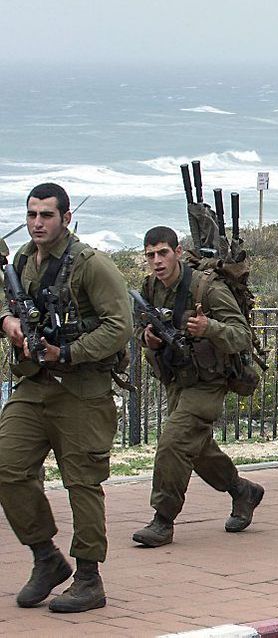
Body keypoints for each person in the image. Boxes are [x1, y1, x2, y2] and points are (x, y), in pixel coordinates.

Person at [0, 183, 131, 612]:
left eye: (47, 215)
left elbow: (119, 326)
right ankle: (46, 558)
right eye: (32, 215)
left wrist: (69, 352)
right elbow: (6, 301)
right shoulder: (21, 260)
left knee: (82, 484)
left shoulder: (91, 265)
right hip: (35, 384)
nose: (37, 223)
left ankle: (89, 578)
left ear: (66, 218)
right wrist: (8, 321)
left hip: (82, 390)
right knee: (8, 467)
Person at [131, 227, 264, 547]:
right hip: (177, 379)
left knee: (173, 443)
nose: (157, 261)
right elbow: (139, 325)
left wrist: (209, 327)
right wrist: (144, 336)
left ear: (177, 252)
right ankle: (242, 490)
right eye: (150, 255)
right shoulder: (150, 287)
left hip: (209, 382)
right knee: (197, 448)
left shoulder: (207, 288)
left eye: (163, 252)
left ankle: (163, 520)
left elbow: (242, 335)